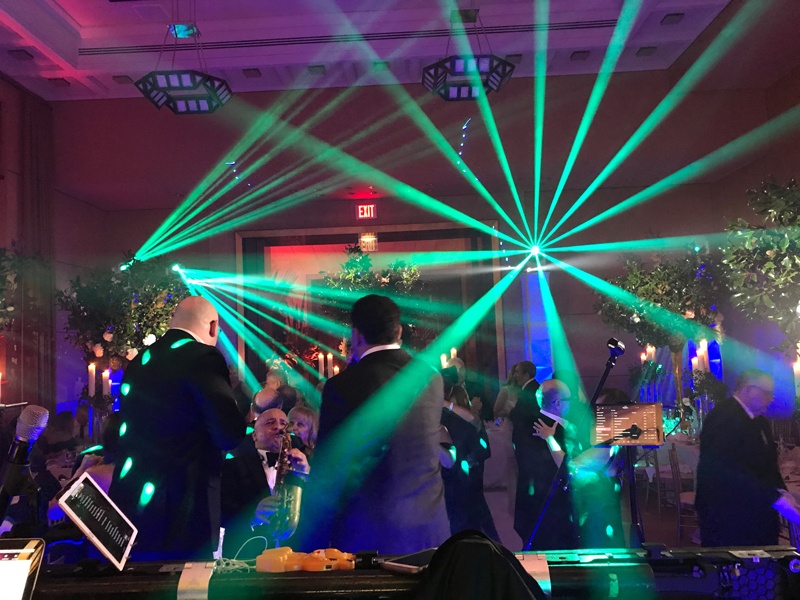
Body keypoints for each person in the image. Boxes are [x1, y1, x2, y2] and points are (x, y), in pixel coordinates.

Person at [301, 294, 449, 554]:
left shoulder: (342, 385)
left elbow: (329, 465)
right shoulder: (432, 378)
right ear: (398, 331)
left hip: (369, 532)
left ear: (356, 335)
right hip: (428, 527)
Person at [109, 296, 246, 561]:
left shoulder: (140, 361)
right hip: (182, 507)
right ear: (213, 327)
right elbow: (228, 434)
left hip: (133, 502)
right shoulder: (202, 356)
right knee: (186, 581)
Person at [696, 369, 800, 546]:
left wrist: (783, 492)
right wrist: (777, 500)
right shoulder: (723, 417)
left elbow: (769, 465)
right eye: (767, 393)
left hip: (756, 513)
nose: (771, 398)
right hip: (729, 516)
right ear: (748, 389)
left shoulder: (759, 420)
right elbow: (727, 471)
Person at [220, 408, 309, 557]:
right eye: (270, 422)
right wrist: (252, 516)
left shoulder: (302, 465)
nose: (278, 427)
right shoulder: (233, 466)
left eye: (283, 423)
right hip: (246, 555)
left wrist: (306, 473)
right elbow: (220, 512)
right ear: (254, 435)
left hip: (296, 555)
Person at [515, 379, 577, 550]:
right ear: (558, 403)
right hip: (553, 510)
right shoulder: (554, 430)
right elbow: (567, 466)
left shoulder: (529, 423)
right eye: (570, 399)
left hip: (529, 504)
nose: (572, 403)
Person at [440, 366, 500, 541]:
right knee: (473, 509)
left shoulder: (458, 416)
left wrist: (447, 404)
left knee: (469, 510)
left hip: (463, 470)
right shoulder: (447, 417)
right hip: (462, 469)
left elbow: (476, 423)